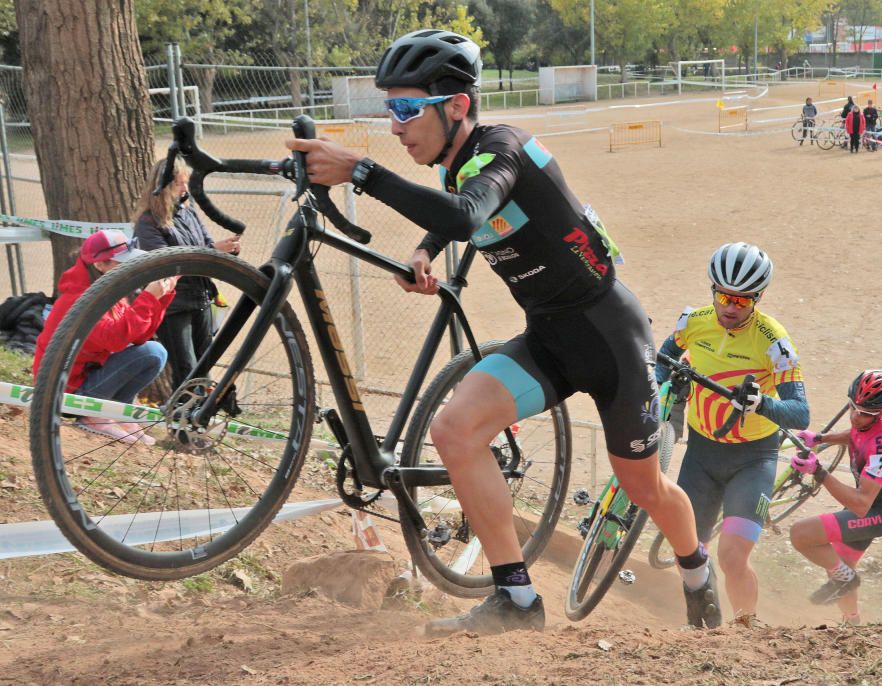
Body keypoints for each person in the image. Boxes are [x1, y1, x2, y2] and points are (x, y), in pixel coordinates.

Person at [285, 29, 720, 634]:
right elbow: (457, 211)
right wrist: (425, 248)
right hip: (548, 339)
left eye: (407, 108)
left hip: (613, 340)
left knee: (643, 487)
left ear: (456, 106)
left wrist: (360, 170)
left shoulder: (503, 149)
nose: (395, 125)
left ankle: (698, 573)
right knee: (454, 430)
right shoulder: (458, 162)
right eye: (390, 109)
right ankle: (516, 601)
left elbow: (468, 212)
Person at [655, 243, 810, 626]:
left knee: (732, 557)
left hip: (752, 459)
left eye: (742, 301)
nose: (730, 307)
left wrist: (763, 404)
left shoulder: (773, 340)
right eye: (723, 296)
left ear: (758, 298)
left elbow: (801, 414)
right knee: (687, 551)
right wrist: (659, 387)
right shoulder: (692, 321)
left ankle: (747, 629)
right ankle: (708, 622)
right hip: (702, 455)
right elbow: (661, 362)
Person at [32, 230, 176, 445]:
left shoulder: (108, 293)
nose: (131, 269)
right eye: (123, 263)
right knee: (151, 352)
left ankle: (118, 412)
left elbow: (139, 337)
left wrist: (160, 299)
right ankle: (94, 417)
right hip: (64, 392)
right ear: (100, 265)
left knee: (154, 352)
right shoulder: (78, 300)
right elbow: (115, 340)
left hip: (84, 380)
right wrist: (148, 298)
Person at [789, 370, 882, 625]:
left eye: (866, 413)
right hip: (870, 506)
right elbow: (856, 434)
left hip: (879, 513)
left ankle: (846, 579)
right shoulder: (866, 421)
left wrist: (818, 472)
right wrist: (821, 438)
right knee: (841, 563)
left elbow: (861, 504)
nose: (856, 416)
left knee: (800, 534)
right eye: (853, 407)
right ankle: (852, 624)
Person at [134, 159, 240, 391]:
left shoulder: (188, 212)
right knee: (187, 370)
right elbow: (166, 263)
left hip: (201, 299)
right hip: (173, 306)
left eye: (186, 183)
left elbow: (207, 246)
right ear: (163, 186)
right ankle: (182, 426)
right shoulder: (148, 222)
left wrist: (228, 251)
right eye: (179, 184)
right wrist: (213, 251)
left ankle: (199, 421)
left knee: (203, 367)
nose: (185, 189)